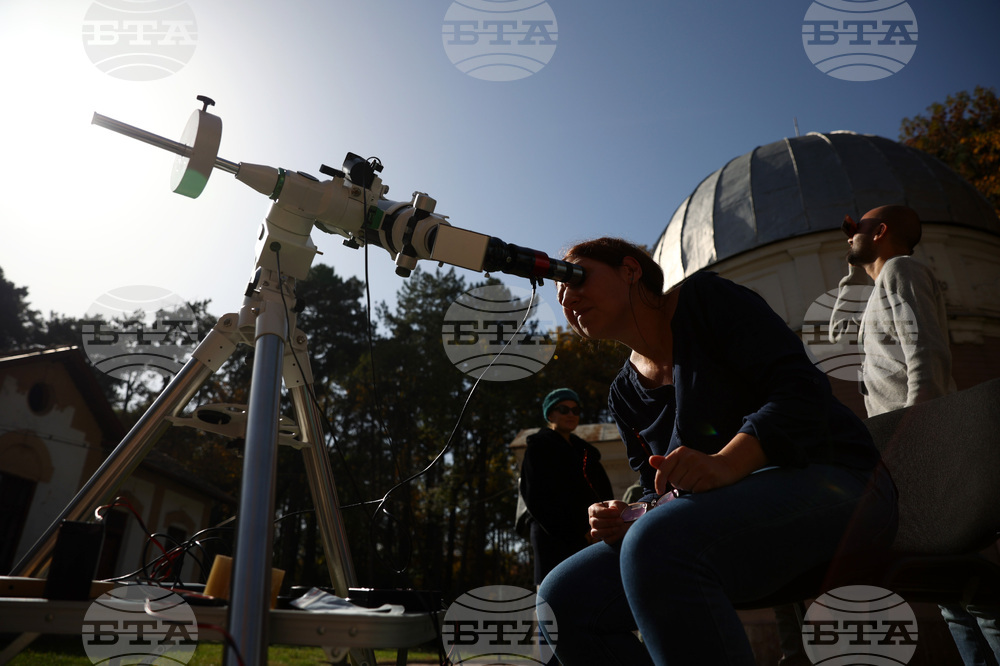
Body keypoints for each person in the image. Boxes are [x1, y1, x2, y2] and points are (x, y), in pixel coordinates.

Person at [537, 237, 899, 665]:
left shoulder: (705, 300)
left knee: (659, 540)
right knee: (561, 599)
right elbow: (656, 489)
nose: (567, 299)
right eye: (559, 294)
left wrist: (728, 463)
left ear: (630, 270)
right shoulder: (623, 394)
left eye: (575, 277)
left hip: (843, 489)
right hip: (715, 531)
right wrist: (628, 515)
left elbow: (801, 392)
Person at [832, 205, 999, 666]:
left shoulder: (902, 270)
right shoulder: (879, 286)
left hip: (925, 446)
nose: (849, 234)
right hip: (909, 450)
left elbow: (926, 352)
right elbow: (836, 332)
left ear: (881, 231)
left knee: (977, 591)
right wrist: (852, 273)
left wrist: (919, 435)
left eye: (857, 227)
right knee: (949, 594)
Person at [519, 388, 615, 587]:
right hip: (552, 536)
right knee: (555, 591)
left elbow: (603, 492)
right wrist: (576, 531)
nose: (571, 414)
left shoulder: (586, 453)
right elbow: (535, 497)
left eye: (575, 410)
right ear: (550, 415)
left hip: (590, 536)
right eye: (563, 409)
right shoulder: (538, 448)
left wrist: (601, 525)